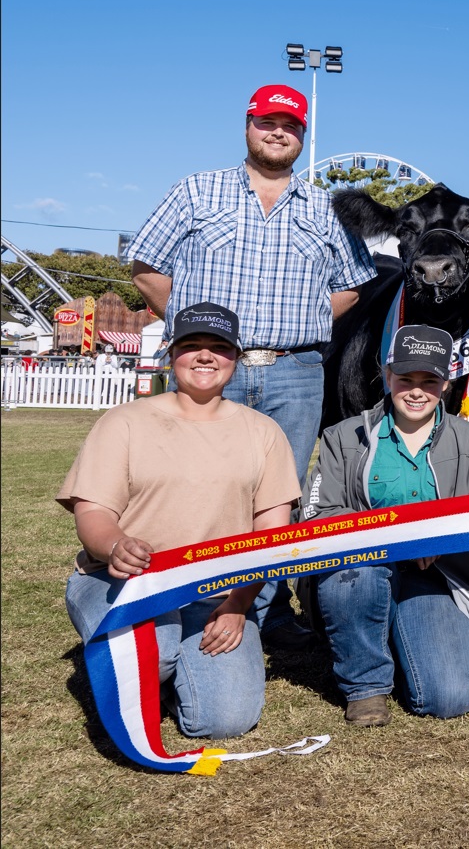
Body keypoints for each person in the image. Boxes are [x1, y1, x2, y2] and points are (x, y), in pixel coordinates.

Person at [129, 84, 377, 643]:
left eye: (289, 125)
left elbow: (354, 287)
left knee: (276, 493)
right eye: (267, 121)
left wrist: (306, 325)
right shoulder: (198, 191)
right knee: (194, 481)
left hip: (295, 371)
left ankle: (265, 610)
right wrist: (197, 337)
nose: (277, 131)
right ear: (247, 125)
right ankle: (182, 600)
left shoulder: (323, 206)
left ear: (302, 134)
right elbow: (146, 267)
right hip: (213, 369)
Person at [58, 302, 299, 739]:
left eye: (219, 347)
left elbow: (272, 534)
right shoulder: (125, 421)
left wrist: (238, 606)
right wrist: (114, 545)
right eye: (192, 345)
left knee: (225, 720)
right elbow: (93, 512)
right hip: (126, 584)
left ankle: (165, 681)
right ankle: (143, 667)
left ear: (235, 357)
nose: (205, 356)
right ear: (172, 354)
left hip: (216, 595)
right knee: (157, 646)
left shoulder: (263, 432)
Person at [302, 325, 469, 726]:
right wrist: (397, 540)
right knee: (358, 579)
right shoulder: (342, 437)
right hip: (360, 568)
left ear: (446, 382)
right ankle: (366, 686)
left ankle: (398, 639)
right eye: (406, 379)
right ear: (386, 374)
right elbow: (317, 517)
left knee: (449, 697)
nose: (416, 391)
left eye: (429, 380)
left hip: (439, 579)